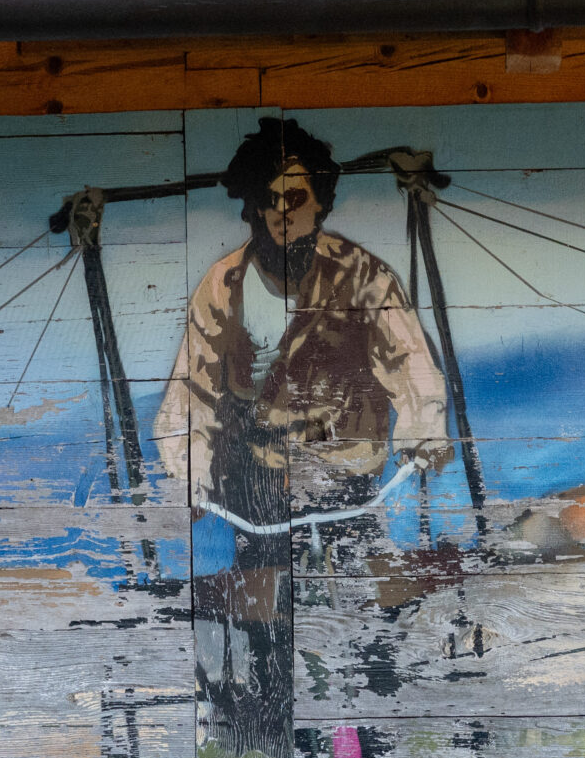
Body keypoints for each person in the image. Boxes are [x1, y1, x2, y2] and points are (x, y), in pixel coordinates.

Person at [154, 118, 452, 523]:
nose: (281, 212)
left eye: (295, 198)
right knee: (257, 563)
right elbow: (193, 388)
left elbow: (407, 358)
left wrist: (424, 434)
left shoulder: (362, 276)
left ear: (320, 204)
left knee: (356, 561)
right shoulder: (223, 285)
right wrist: (188, 473)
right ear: (253, 206)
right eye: (268, 199)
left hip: (345, 477)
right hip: (257, 484)